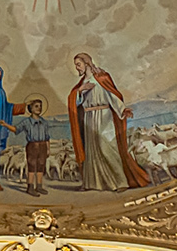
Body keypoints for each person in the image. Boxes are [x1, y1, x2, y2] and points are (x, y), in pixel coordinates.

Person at [67, 53, 150, 191]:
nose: (77, 68)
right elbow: (75, 103)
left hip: (104, 115)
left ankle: (120, 182)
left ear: (87, 63)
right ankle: (94, 183)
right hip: (89, 117)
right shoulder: (81, 84)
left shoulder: (102, 77)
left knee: (107, 148)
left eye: (78, 64)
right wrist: (80, 91)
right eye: (76, 65)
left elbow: (112, 95)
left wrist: (122, 109)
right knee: (92, 151)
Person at [9, 99, 52, 196]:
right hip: (32, 146)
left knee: (41, 165)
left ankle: (39, 186)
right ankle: (30, 187)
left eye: (40, 106)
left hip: (43, 146)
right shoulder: (26, 122)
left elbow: (47, 137)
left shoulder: (44, 122)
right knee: (32, 166)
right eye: (36, 106)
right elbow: (16, 129)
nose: (39, 108)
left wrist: (48, 149)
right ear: (31, 108)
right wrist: (5, 125)